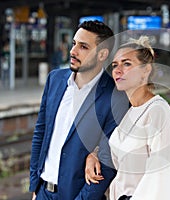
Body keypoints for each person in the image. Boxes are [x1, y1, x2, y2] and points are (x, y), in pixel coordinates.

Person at [29, 20, 128, 200]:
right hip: (43, 191)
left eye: (83, 47)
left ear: (102, 54)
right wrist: (35, 185)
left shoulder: (116, 97)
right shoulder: (55, 80)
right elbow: (40, 132)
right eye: (74, 43)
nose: (73, 51)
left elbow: (108, 161)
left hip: (77, 196)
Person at [85, 36, 170, 200]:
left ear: (146, 70)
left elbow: (165, 177)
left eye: (127, 64)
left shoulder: (158, 112)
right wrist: (94, 155)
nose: (117, 70)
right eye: (115, 65)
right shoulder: (130, 112)